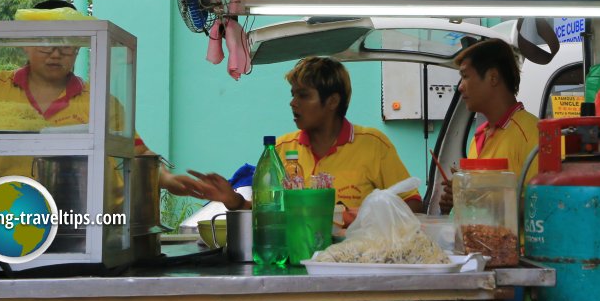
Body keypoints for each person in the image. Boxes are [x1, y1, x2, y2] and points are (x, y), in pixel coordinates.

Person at [0, 0, 185, 194]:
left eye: (67, 45)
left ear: (79, 48)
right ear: (25, 44)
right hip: (8, 220)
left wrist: (169, 180)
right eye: (47, 44)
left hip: (82, 219)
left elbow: (138, 153)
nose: (56, 53)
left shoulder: (101, 102)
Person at [172, 56, 421, 221]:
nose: (293, 103)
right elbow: (268, 214)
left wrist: (369, 215)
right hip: (294, 265)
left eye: (303, 95)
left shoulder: (373, 145)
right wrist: (234, 200)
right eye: (293, 95)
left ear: (332, 101)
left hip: (357, 265)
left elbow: (414, 207)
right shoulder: (279, 150)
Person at [440, 39, 539, 213]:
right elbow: (475, 210)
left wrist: (473, 197)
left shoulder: (533, 134)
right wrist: (456, 199)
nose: (460, 87)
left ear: (493, 77)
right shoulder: (478, 137)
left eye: (465, 76)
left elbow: (543, 206)